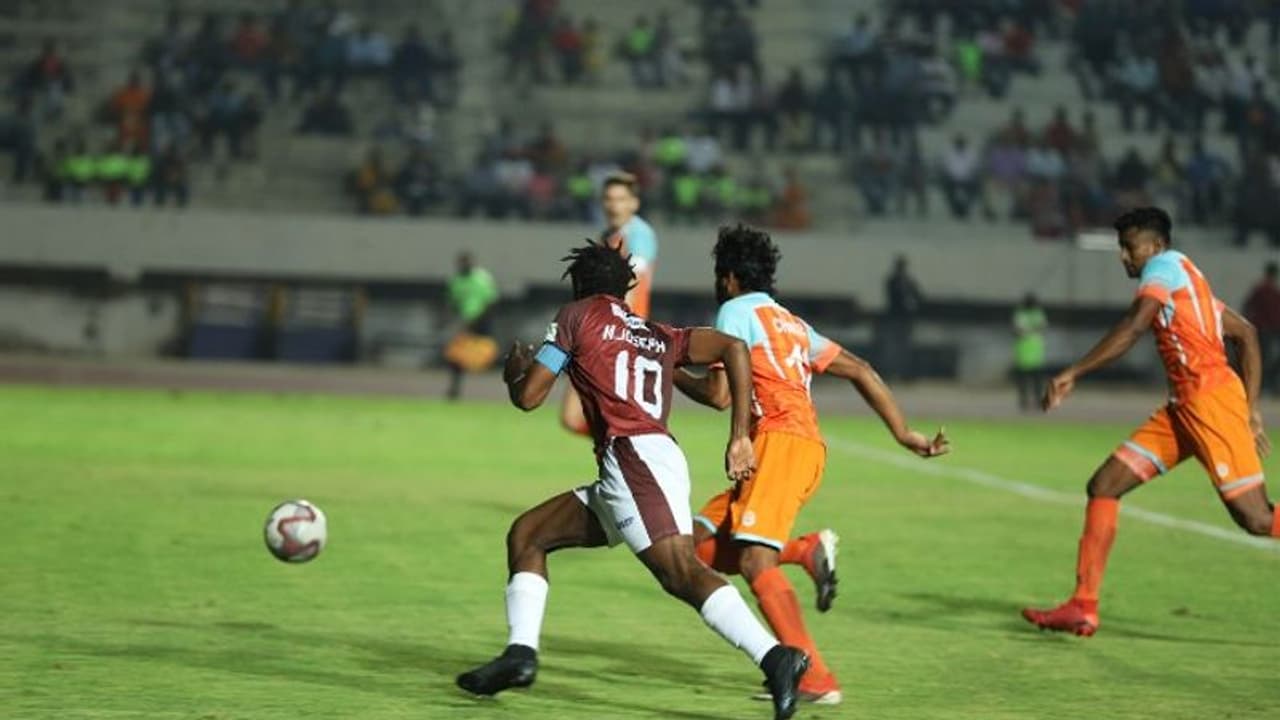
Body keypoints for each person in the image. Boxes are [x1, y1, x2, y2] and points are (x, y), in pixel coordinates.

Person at [456, 241, 809, 720]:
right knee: (529, 535)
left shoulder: (577, 315)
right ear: (624, 287)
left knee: (680, 573)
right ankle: (520, 655)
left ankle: (775, 657)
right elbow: (734, 347)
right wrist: (738, 436)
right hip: (643, 459)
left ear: (581, 285)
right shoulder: (655, 332)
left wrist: (515, 374)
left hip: (633, 459)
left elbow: (530, 397)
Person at [676, 225, 949, 705]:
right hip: (802, 447)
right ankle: (805, 550)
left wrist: (670, 371)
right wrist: (904, 433)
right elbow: (860, 369)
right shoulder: (792, 324)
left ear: (730, 277)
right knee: (695, 549)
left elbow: (719, 395)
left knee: (755, 560)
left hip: (777, 444)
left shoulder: (734, 312)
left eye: (720, 275)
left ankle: (815, 678)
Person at [1022, 207, 1278, 637]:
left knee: (1256, 519)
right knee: (1105, 484)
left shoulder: (1162, 269)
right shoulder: (1187, 279)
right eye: (1121, 248)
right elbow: (1246, 334)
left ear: (1156, 245)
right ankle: (1083, 607)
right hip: (1184, 410)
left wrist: (1074, 372)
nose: (1124, 256)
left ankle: (1083, 605)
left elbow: (1134, 325)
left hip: (1210, 405)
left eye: (1130, 247)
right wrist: (1250, 409)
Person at [560, 173, 658, 435]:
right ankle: (621, 447)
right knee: (579, 416)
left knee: (577, 414)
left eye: (621, 199)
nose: (613, 205)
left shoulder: (639, 235)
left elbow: (634, 281)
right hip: (601, 330)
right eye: (609, 199)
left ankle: (626, 447)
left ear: (634, 203)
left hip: (619, 335)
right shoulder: (608, 235)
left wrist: (619, 328)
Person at [443, 252, 499, 401]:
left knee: (486, 356)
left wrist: (480, 321)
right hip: (464, 324)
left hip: (482, 323)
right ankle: (454, 389)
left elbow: (491, 302)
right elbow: (452, 302)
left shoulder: (483, 279)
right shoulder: (456, 281)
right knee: (456, 356)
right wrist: (454, 320)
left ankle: (493, 392)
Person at [879, 256, 923, 381]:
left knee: (902, 347)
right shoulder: (897, 281)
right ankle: (895, 371)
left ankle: (903, 371)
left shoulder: (905, 281)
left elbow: (918, 296)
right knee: (895, 347)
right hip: (897, 317)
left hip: (901, 318)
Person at [1243, 262, 1280, 396]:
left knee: (1263, 358)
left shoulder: (1261, 290)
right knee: (1266, 358)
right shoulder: (1270, 291)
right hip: (1267, 329)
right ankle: (1265, 385)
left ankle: (1264, 385)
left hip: (1264, 329)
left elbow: (1247, 306)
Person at [1012, 293, 1048, 412]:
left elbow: (1019, 330)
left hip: (1028, 352)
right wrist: (1033, 330)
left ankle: (1028, 401)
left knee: (1029, 380)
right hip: (1030, 352)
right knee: (1031, 380)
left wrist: (1027, 331)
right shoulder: (1036, 314)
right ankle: (1029, 401)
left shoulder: (1022, 315)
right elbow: (1041, 327)